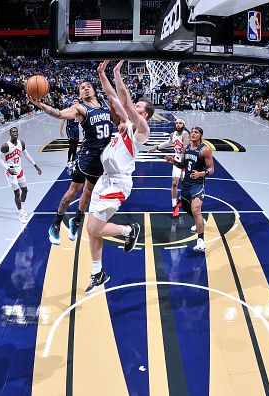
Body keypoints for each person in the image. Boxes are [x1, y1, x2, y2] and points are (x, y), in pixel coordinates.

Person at [82, 60, 153, 294]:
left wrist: (118, 75)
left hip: (118, 182)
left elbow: (124, 101)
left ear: (145, 114)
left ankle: (129, 231)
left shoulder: (141, 129)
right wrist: (103, 74)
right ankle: (97, 273)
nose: (135, 108)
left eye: (139, 107)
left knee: (94, 227)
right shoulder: (125, 124)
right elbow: (114, 98)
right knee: (91, 229)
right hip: (105, 179)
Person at [28, 80, 121, 245]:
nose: (85, 89)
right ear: (79, 94)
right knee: (72, 192)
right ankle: (56, 224)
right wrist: (41, 105)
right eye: (82, 88)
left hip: (101, 161)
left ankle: (77, 219)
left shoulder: (106, 105)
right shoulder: (80, 109)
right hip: (86, 157)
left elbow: (119, 122)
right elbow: (60, 114)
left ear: (94, 89)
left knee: (88, 192)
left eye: (88, 87)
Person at [165, 126, 214, 253]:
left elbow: (211, 169)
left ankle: (201, 241)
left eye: (196, 132)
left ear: (200, 135)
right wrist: (173, 161)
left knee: (196, 209)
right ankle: (200, 221)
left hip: (197, 184)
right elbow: (182, 165)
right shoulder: (185, 148)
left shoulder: (205, 150)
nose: (193, 134)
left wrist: (200, 174)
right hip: (186, 183)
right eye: (192, 132)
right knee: (187, 208)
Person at [0, 127, 42, 224]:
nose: (15, 133)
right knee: (17, 193)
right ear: (10, 134)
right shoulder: (5, 146)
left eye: (16, 131)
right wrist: (7, 168)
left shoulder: (21, 143)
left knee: (25, 190)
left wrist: (35, 165)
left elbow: (26, 155)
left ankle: (21, 208)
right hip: (11, 170)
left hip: (19, 169)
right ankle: (20, 213)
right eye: (13, 132)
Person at [149, 118, 189, 217]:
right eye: (177, 123)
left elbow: (185, 149)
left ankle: (182, 201)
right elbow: (168, 143)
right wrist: (157, 147)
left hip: (185, 162)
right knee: (174, 184)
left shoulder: (186, 135)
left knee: (186, 185)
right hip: (177, 160)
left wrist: (182, 163)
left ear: (183, 125)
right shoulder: (173, 134)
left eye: (180, 123)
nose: (178, 125)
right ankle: (174, 206)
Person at [59, 98, 81, 173]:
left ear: (78, 103)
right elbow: (63, 120)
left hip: (76, 129)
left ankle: (73, 159)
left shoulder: (80, 111)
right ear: (72, 103)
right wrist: (61, 130)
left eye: (76, 101)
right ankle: (68, 161)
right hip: (70, 129)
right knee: (71, 145)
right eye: (74, 101)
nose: (75, 102)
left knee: (75, 145)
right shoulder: (69, 110)